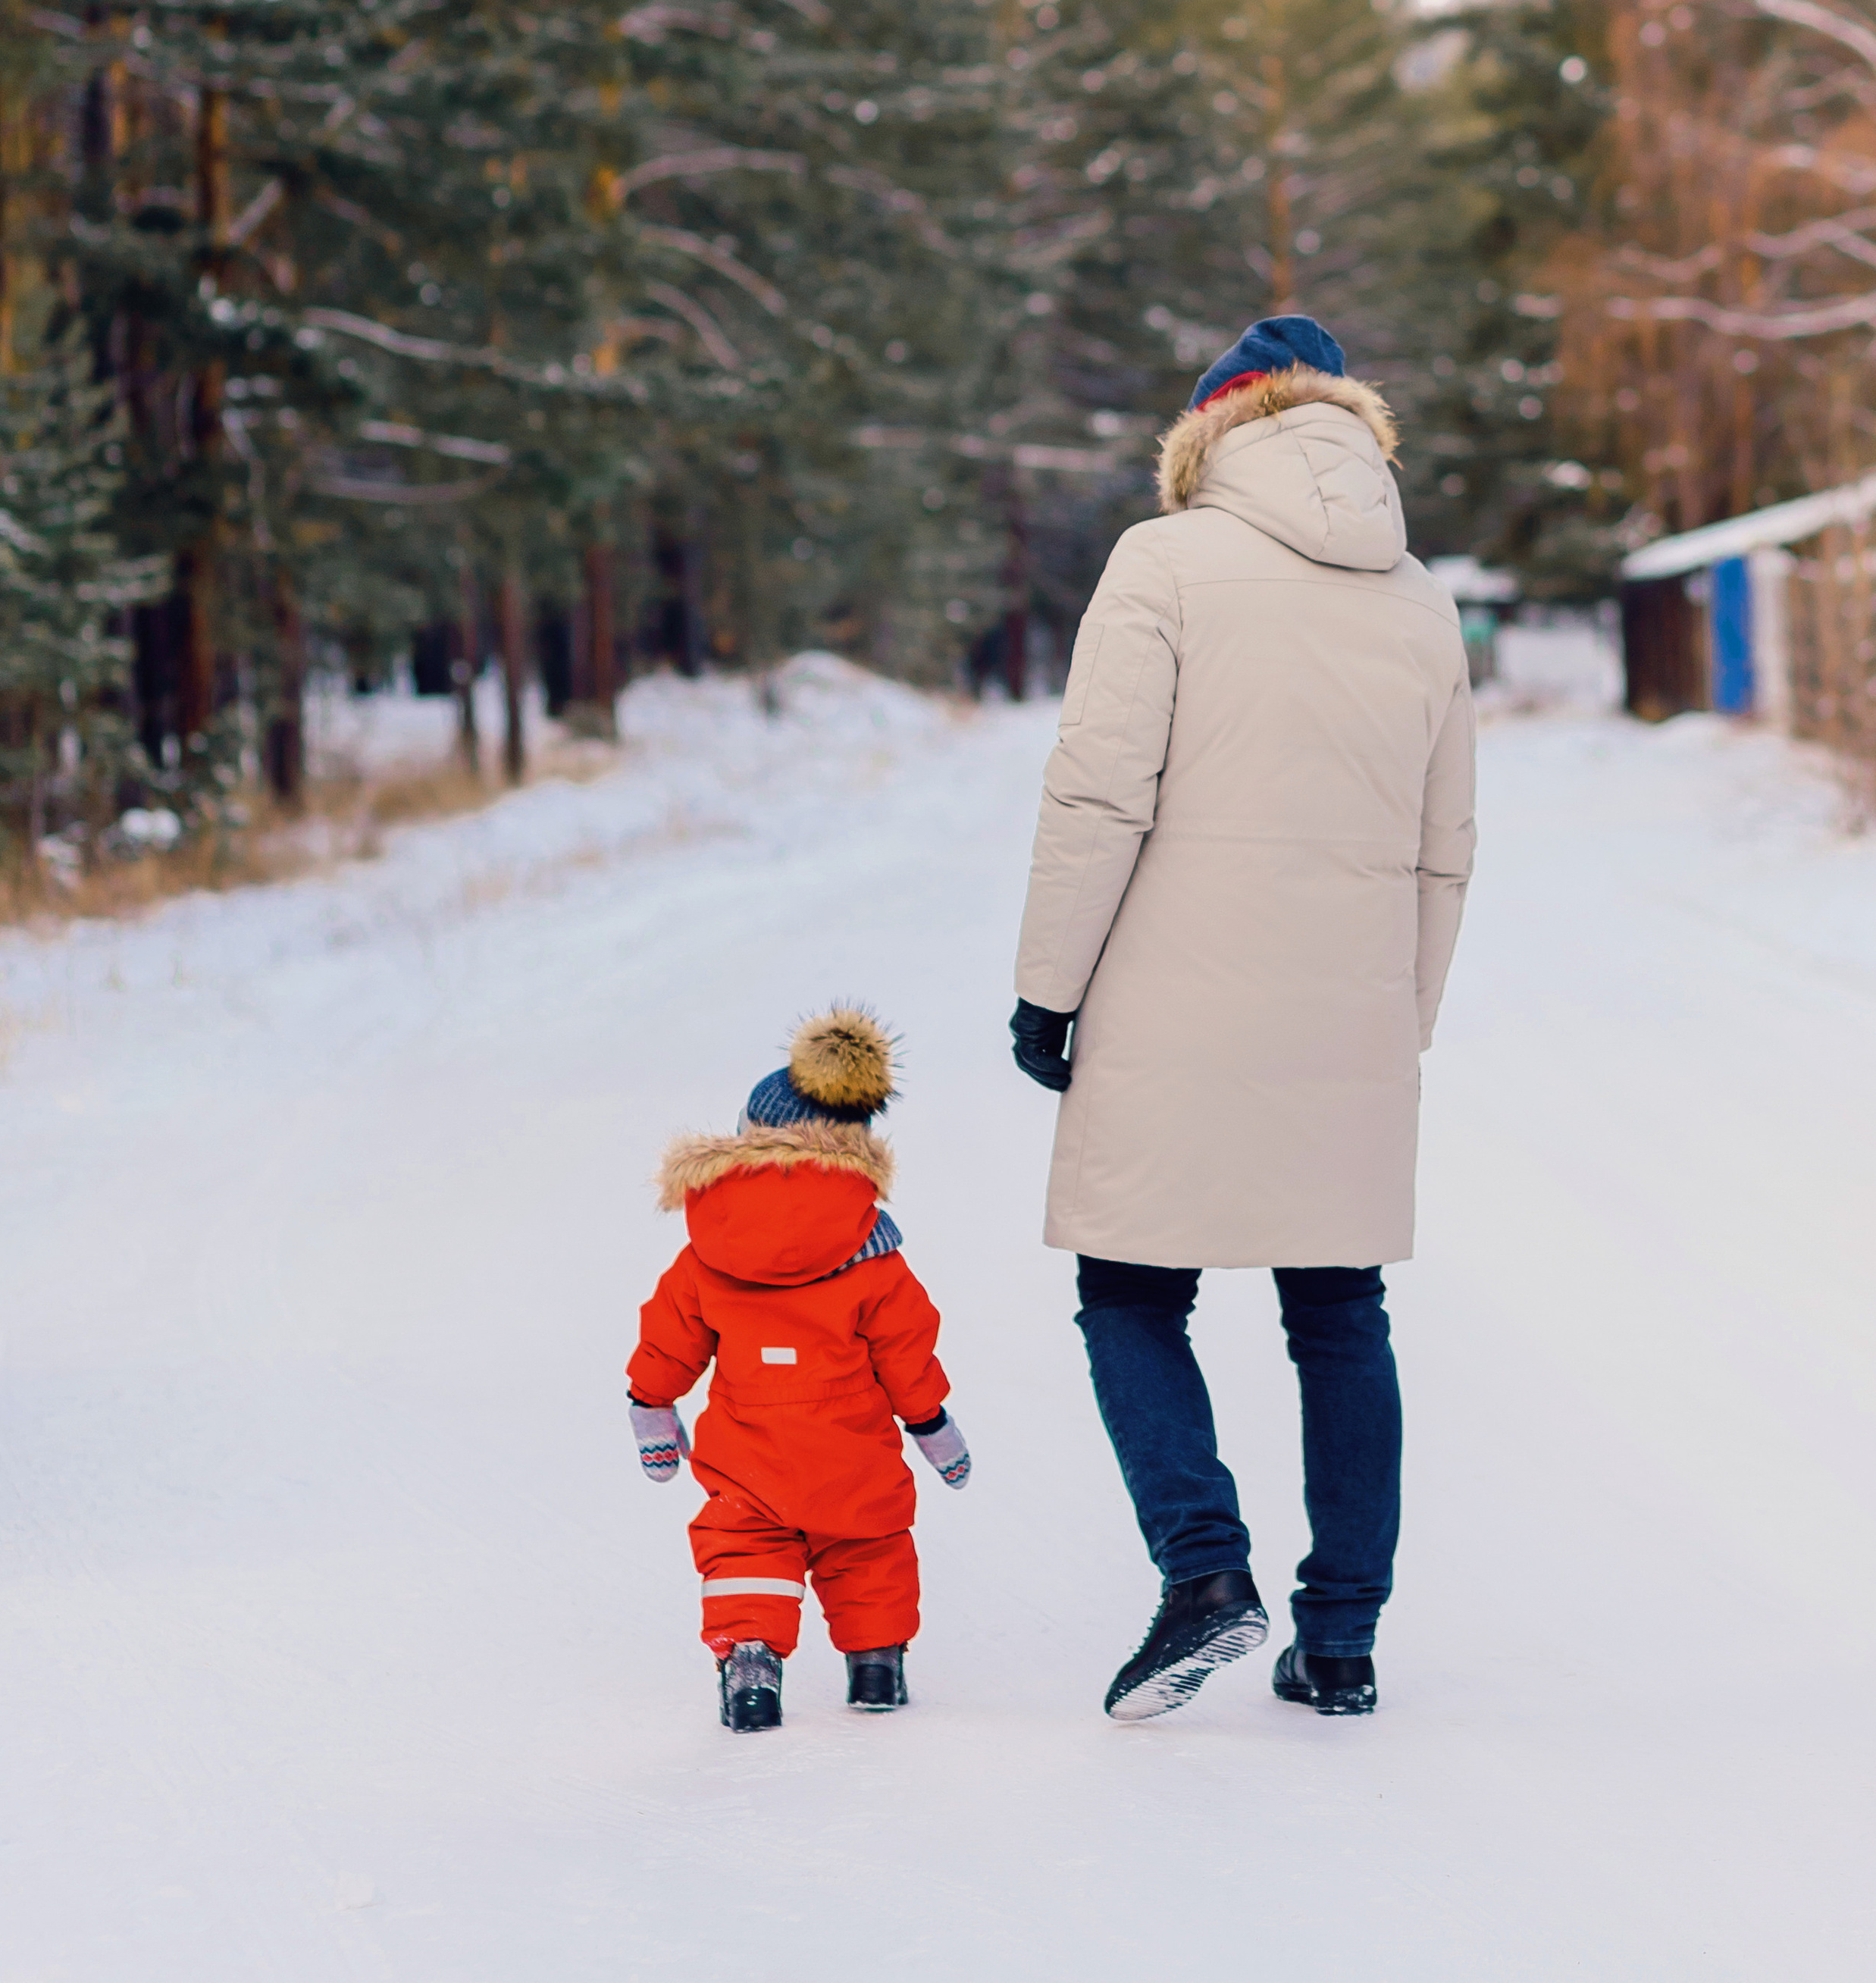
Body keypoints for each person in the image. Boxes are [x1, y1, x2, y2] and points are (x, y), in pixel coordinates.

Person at [1011, 315, 1475, 1723]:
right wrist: (1404, 1019)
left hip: (1169, 1002)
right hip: (1349, 1016)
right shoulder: (1423, 600)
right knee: (1340, 1312)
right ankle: (1341, 1638)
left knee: (1131, 1289)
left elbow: (1101, 795)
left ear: (1212, 428)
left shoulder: (1163, 562)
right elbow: (1446, 846)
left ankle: (1205, 1574)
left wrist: (1049, 991)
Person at [626, 1006, 972, 1733]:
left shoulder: (708, 1248)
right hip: (852, 1447)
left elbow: (670, 1333)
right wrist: (932, 1424)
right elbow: (908, 1347)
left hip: (750, 1450)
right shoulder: (874, 1253)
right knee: (869, 1541)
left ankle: (751, 1660)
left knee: (747, 1543)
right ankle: (876, 1664)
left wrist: (651, 1404)